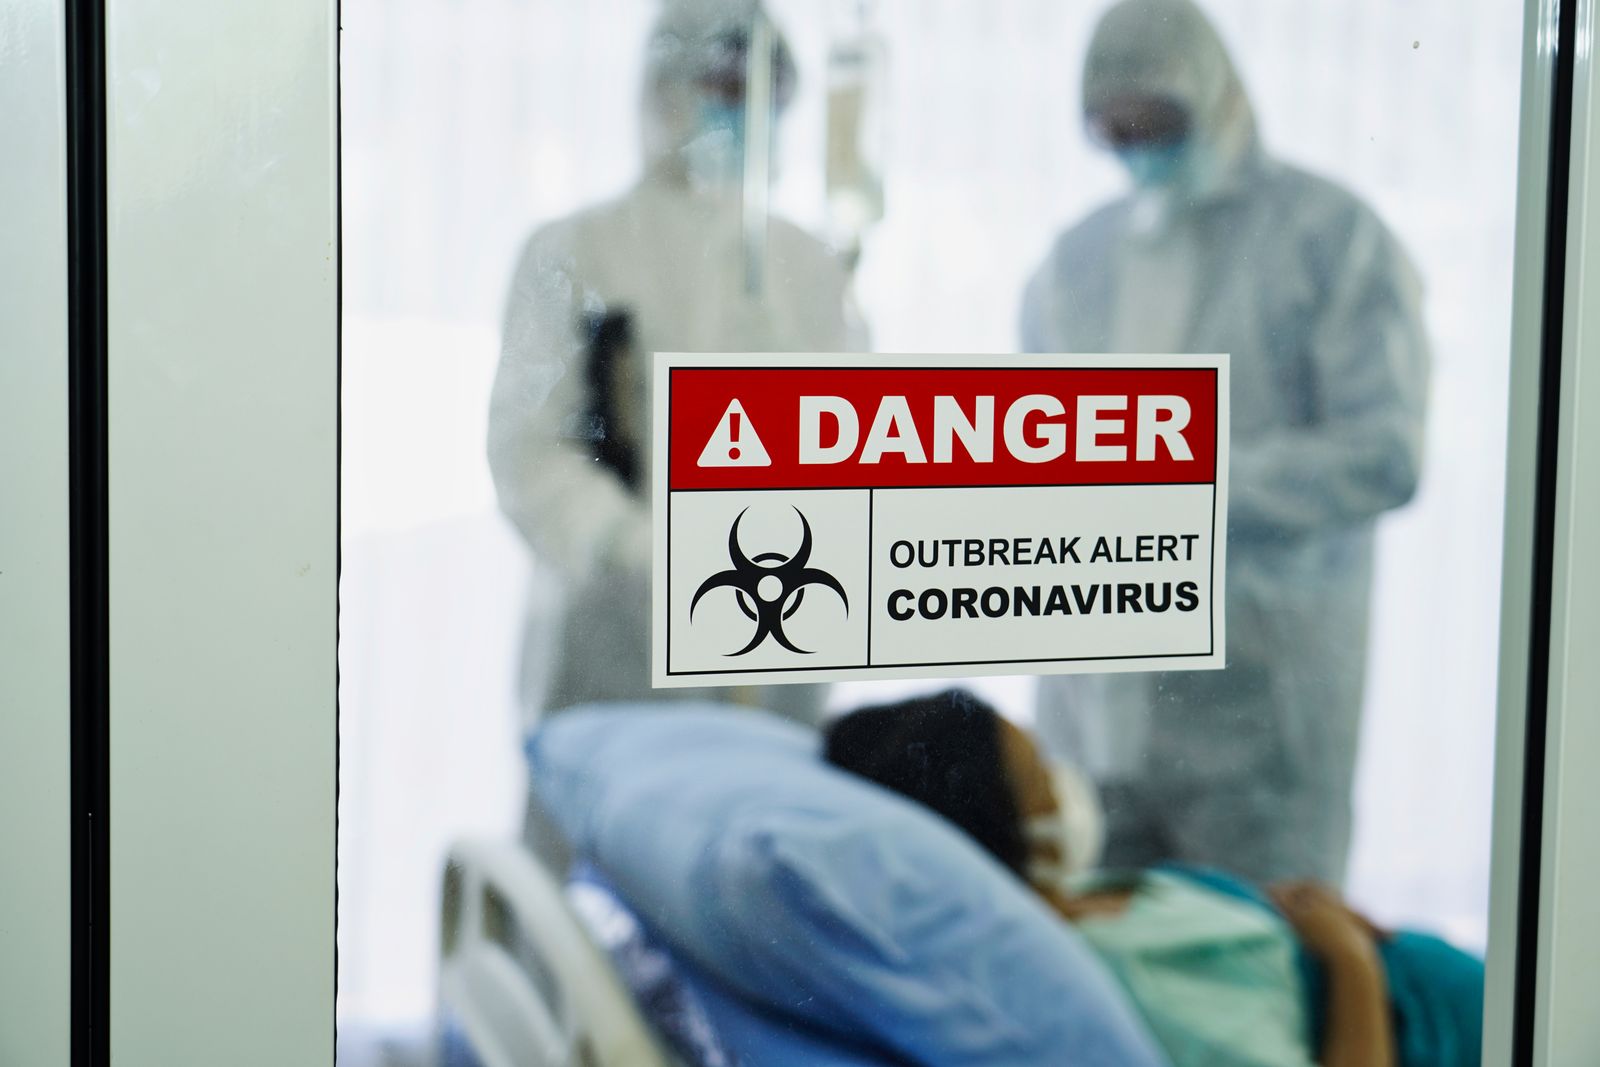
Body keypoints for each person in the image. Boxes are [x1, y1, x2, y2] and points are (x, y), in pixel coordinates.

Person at [1020, 0, 1431, 884]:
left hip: (1258, 718)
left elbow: (1386, 453)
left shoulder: (1330, 238)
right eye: (1112, 126)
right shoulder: (1073, 263)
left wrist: (1196, 486)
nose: (1137, 144)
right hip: (1093, 717)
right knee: (1104, 984)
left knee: (1262, 977)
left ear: (1214, 96)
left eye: (1156, 119)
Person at [488, 0, 868, 726]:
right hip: (614, 652)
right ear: (662, 89)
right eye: (720, 88)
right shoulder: (576, 249)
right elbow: (527, 448)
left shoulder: (812, 269)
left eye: (758, 94)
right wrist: (633, 546)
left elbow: (853, 443)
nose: (739, 111)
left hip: (780, 640)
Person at [824, 690, 1485, 1067]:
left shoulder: (1079, 899)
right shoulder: (1117, 976)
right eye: (1038, 777)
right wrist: (1348, 959)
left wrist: (1297, 915)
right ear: (995, 830)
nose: (1063, 785)